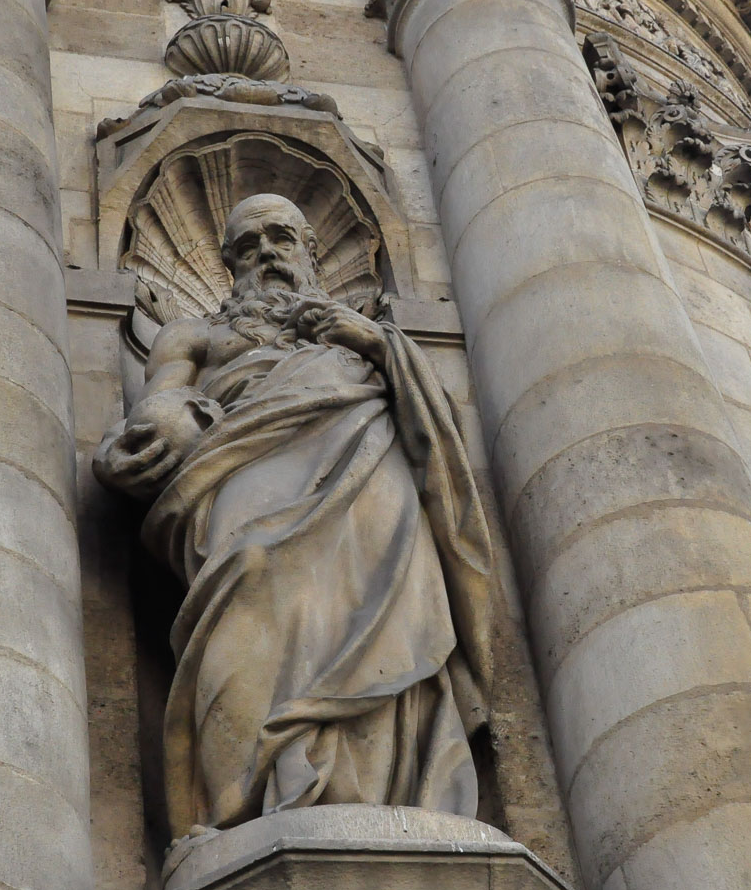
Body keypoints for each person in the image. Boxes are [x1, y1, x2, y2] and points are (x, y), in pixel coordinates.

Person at [96, 193, 498, 850]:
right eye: (247, 245)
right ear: (228, 264)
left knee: (381, 608)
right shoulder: (196, 336)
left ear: (311, 250)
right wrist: (146, 437)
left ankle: (377, 794)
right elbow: (157, 409)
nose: (266, 254)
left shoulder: (357, 330)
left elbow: (439, 424)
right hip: (244, 466)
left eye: (280, 237)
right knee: (248, 568)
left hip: (368, 465)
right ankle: (237, 811)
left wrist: (368, 339)